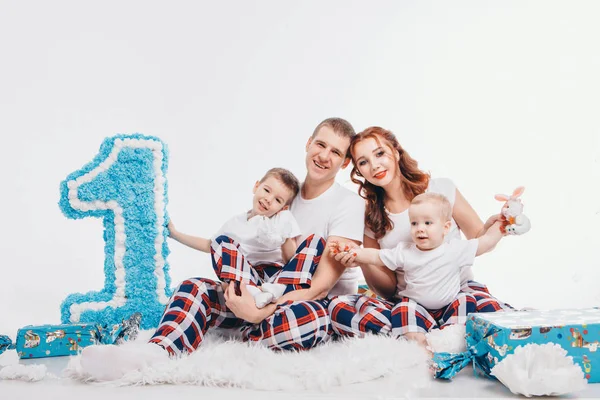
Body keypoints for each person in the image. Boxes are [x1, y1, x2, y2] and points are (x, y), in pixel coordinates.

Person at [80, 118, 365, 381]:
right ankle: (152, 354)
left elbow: (318, 289)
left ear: (344, 164)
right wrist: (245, 296)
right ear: (308, 143)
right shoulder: (283, 191)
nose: (324, 156)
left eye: (336, 152)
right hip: (254, 290)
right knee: (194, 287)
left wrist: (257, 311)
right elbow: (235, 245)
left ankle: (251, 330)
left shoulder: (348, 204)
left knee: (308, 303)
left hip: (300, 304)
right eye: (320, 144)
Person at [328, 126, 513, 348]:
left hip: (458, 293)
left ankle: (432, 335)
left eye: (379, 154)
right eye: (363, 162)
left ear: (396, 152)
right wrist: (362, 260)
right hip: (411, 303)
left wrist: (498, 225)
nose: (374, 165)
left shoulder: (441, 188)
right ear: (359, 171)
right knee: (338, 307)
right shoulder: (371, 216)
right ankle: (441, 337)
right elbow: (387, 290)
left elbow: (479, 238)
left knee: (486, 311)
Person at [330, 192, 504, 348]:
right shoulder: (405, 251)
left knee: (466, 299)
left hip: (449, 305)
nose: (420, 228)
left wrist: (503, 225)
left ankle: (452, 342)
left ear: (445, 227)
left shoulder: (455, 249)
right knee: (403, 308)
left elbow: (487, 241)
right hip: (417, 307)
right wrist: (355, 253)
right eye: (414, 223)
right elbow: (376, 256)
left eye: (428, 223)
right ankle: (420, 346)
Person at [168, 167, 312, 309]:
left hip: (274, 276)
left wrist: (284, 237)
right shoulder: (236, 223)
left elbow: (290, 260)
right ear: (256, 186)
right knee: (221, 241)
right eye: (267, 190)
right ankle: (253, 293)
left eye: (277, 200)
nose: (268, 199)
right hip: (247, 277)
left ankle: (269, 293)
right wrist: (175, 234)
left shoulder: (281, 221)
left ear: (283, 208)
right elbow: (209, 246)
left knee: (311, 244)